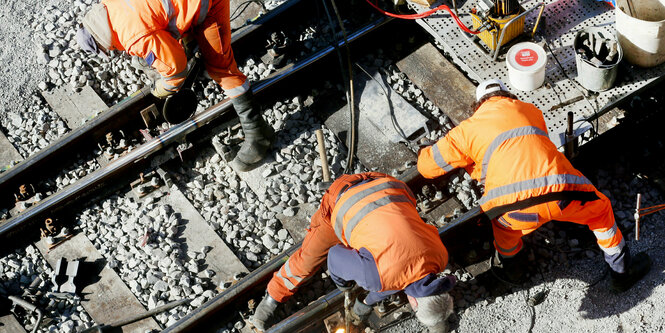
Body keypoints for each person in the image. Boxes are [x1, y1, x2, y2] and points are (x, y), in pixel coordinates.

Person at [417, 79, 651, 292]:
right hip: (563, 194)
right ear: (508, 96)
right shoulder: (530, 110)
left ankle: (515, 270)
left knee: (505, 234)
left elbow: (427, 168)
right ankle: (622, 272)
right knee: (601, 212)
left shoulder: (467, 129)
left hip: (513, 209)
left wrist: (430, 150)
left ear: (478, 106)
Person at [76, 0, 273, 171]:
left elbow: (176, 70)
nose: (111, 50)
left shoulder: (133, 36)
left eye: (105, 50)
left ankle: (258, 134)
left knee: (222, 70)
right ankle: (195, 43)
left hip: (209, 4)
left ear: (102, 43)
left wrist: (163, 89)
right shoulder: (110, 5)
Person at [250, 172, 456, 332]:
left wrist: (367, 301)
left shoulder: (441, 256)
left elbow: (402, 275)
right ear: (413, 302)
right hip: (342, 199)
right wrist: (345, 286)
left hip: (388, 186)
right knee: (308, 259)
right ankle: (274, 295)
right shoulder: (376, 278)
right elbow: (334, 257)